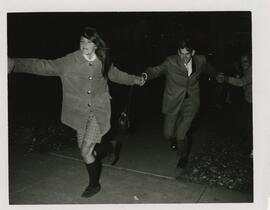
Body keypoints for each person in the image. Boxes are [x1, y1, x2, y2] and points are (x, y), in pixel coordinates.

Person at [8, 26, 145, 198]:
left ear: (96, 45)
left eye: (89, 42)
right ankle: (111, 146)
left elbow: (116, 75)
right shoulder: (69, 61)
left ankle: (94, 185)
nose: (84, 45)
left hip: (99, 110)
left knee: (86, 151)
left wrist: (135, 79)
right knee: (86, 151)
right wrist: (15, 63)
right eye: (81, 41)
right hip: (79, 112)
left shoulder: (103, 60)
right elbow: (44, 66)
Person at [142, 37, 220, 170]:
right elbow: (155, 70)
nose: (184, 57)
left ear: (193, 52)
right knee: (168, 134)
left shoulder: (200, 60)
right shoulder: (170, 62)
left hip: (191, 101)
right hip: (173, 101)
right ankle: (175, 141)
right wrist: (145, 75)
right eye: (181, 54)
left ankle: (183, 156)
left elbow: (208, 69)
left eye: (187, 54)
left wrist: (217, 74)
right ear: (178, 52)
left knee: (181, 134)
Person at [217, 53, 252, 157]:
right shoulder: (245, 70)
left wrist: (226, 79)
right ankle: (249, 145)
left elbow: (241, 82)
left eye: (246, 61)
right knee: (241, 124)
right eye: (242, 62)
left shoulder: (254, 69)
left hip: (255, 103)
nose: (243, 64)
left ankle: (251, 148)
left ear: (251, 60)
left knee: (250, 127)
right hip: (248, 101)